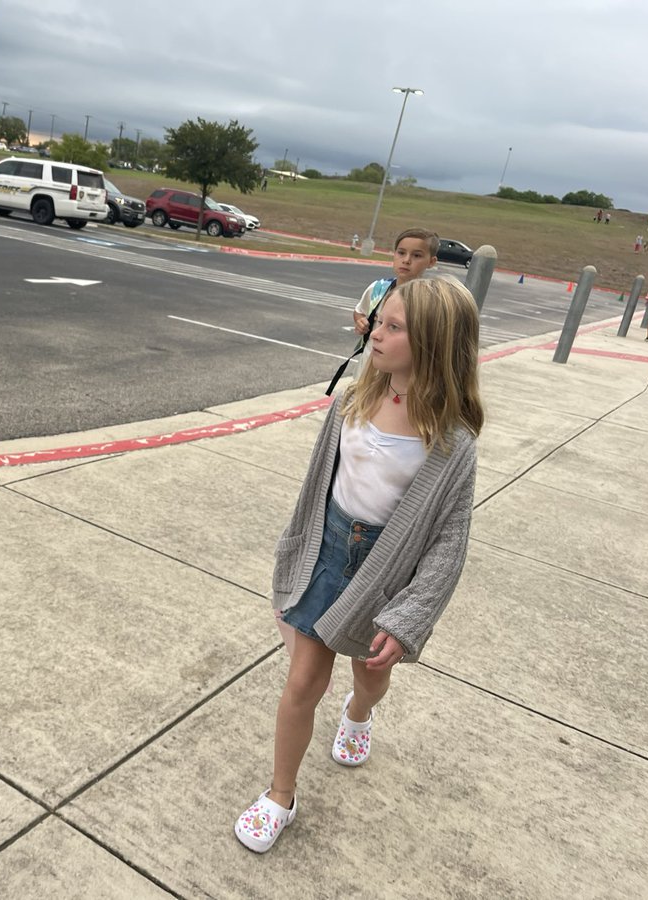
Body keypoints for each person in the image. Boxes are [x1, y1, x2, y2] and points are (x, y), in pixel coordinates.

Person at [235, 275, 484, 854]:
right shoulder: (352, 399)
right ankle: (280, 795)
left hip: (387, 575)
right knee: (302, 681)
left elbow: (449, 543)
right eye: (379, 320)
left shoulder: (451, 445)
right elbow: (317, 488)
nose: (377, 331)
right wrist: (293, 550)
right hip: (328, 556)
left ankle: (359, 713)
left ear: (435, 345)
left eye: (394, 327)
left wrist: (409, 618)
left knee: (370, 676)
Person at [324, 227, 438, 396]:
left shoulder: (430, 301)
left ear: (431, 262)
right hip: (366, 371)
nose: (406, 260)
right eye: (401, 253)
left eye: (417, 255)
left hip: (401, 380)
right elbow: (360, 311)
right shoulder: (378, 288)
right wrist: (360, 321)